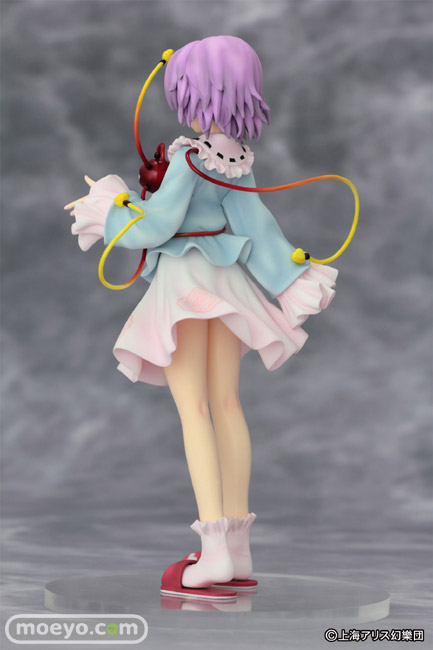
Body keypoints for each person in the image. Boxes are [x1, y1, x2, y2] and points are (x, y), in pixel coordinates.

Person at [67, 35, 338, 599]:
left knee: (195, 411)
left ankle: (213, 552)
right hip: (227, 282)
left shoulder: (192, 158)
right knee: (228, 405)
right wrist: (293, 275)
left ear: (198, 93)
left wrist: (109, 206)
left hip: (187, 285)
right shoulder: (236, 158)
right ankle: (237, 547)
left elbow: (158, 226)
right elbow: (259, 229)